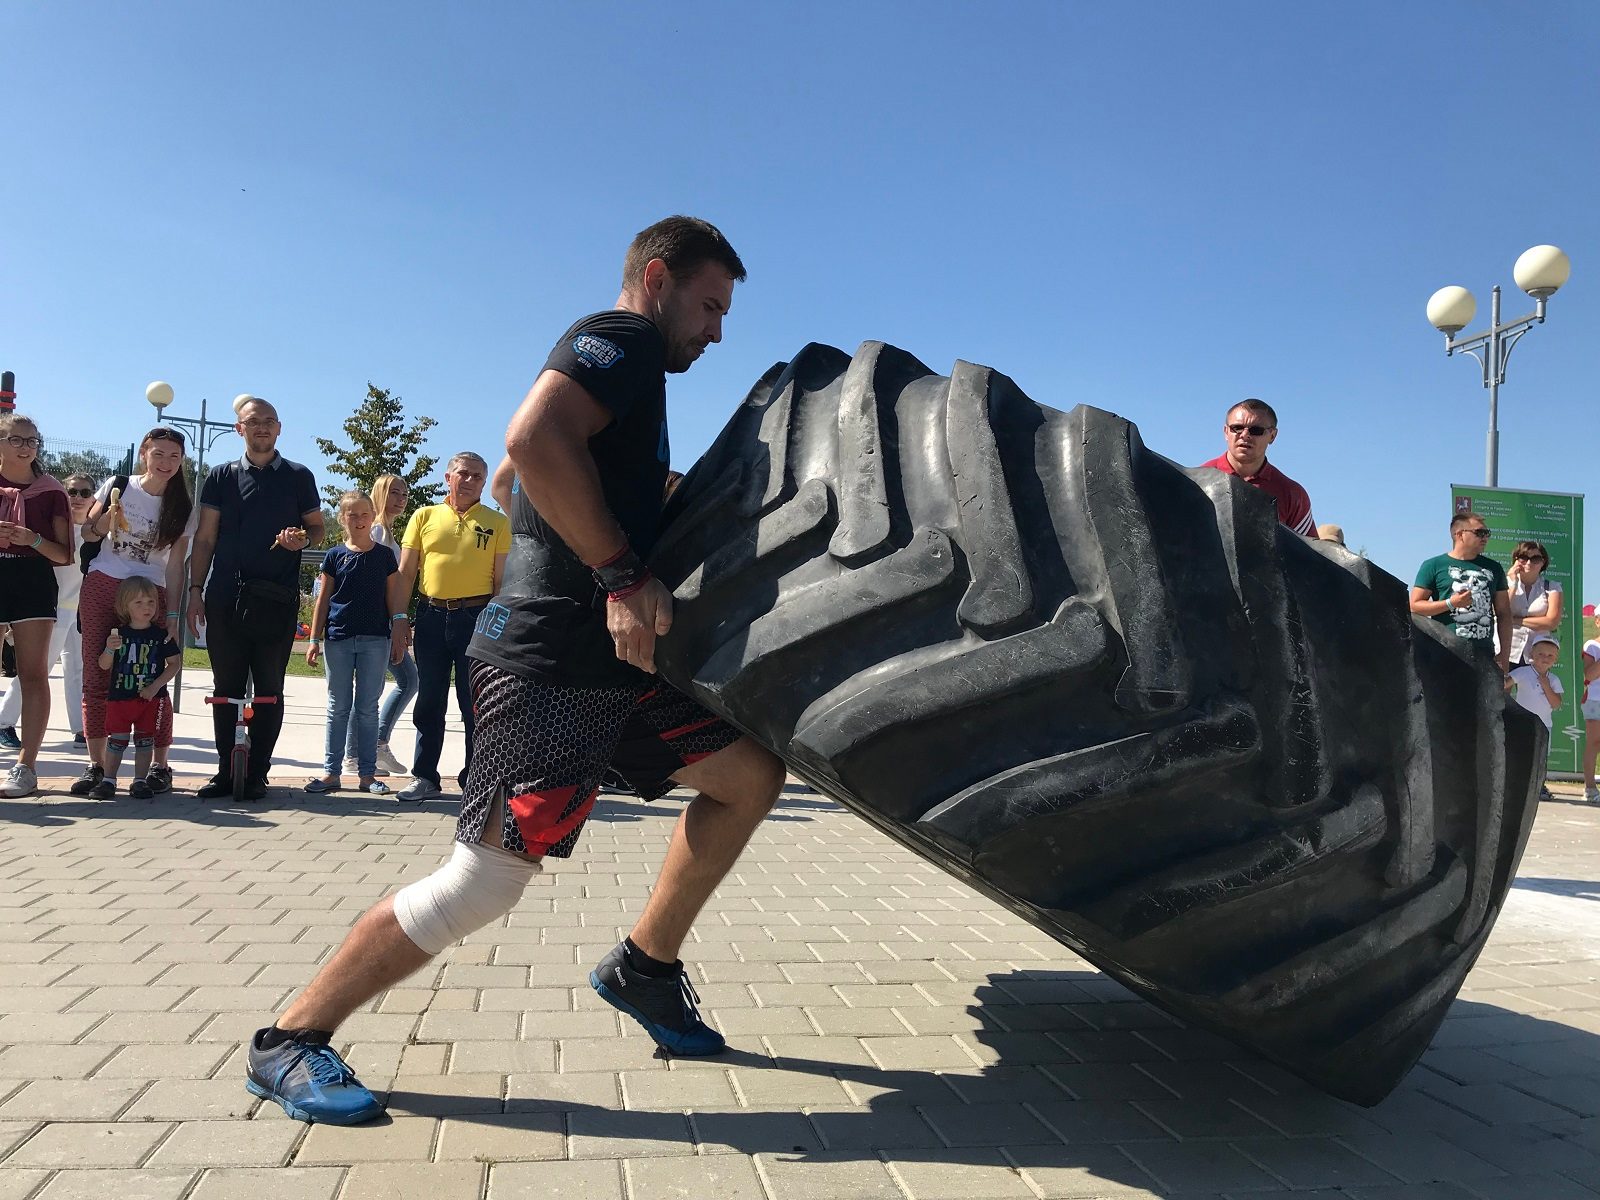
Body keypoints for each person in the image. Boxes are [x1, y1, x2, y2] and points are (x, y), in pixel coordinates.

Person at [246, 215, 784, 1125]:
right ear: (657, 279)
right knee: (485, 881)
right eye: (709, 305)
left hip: (614, 667)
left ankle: (646, 966)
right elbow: (531, 442)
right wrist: (620, 572)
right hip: (548, 662)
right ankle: (290, 1038)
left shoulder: (628, 375)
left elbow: (510, 477)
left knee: (749, 777)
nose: (717, 330)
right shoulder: (621, 339)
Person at [186, 398, 324, 800]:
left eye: (268, 421)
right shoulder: (220, 476)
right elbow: (205, 538)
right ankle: (226, 772)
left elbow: (317, 530)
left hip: (275, 600)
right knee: (225, 688)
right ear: (239, 429)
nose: (261, 427)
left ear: (279, 428)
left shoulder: (299, 476)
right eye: (253, 422)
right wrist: (195, 591)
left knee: (268, 689)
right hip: (225, 596)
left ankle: (258, 772)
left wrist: (302, 538)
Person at [75, 429, 196, 798]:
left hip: (150, 591)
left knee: (153, 677)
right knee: (98, 673)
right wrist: (106, 519)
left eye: (174, 456)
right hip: (105, 582)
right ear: (145, 453)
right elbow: (88, 534)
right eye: (158, 454)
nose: (166, 462)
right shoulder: (120, 485)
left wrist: (172, 616)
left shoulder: (182, 506)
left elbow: (175, 565)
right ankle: (98, 766)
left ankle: (159, 766)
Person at [392, 453, 510, 802]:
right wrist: (399, 618)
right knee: (429, 699)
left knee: (475, 702)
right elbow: (406, 573)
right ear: (448, 477)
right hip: (430, 615)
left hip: (477, 617)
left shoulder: (497, 522)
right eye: (463, 473)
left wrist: (496, 626)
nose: (470, 480)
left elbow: (501, 582)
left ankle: (476, 778)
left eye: (478, 476)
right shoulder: (424, 516)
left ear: (484, 483)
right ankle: (424, 776)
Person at [305, 491, 409, 796]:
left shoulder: (384, 556)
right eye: (352, 514)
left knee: (367, 708)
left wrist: (398, 631)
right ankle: (331, 773)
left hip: (375, 640)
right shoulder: (334, 556)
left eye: (365, 514)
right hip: (338, 638)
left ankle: (367, 775)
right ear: (342, 518)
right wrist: (314, 639)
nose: (359, 520)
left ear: (372, 516)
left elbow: (393, 598)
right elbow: (323, 600)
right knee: (338, 706)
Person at [0, 413, 73, 798]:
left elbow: (64, 554)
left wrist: (32, 540)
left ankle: (26, 767)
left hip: (32, 581)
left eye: (32, 441)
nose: (25, 447)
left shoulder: (51, 490)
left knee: (33, 674)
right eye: (16, 439)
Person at [0, 473, 93, 754]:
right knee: (38, 668)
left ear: (93, 498)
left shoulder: (95, 533)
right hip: (52, 607)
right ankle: (5, 721)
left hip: (79, 610)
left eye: (85, 492)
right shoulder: (56, 527)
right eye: (72, 492)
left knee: (77, 669)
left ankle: (81, 728)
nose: (77, 498)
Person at [342, 473, 415, 778]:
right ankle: (359, 752)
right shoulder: (376, 532)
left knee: (391, 685)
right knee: (397, 683)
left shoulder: (387, 532)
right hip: (376, 625)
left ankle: (371, 747)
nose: (401, 499)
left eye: (405, 494)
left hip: (385, 623)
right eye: (395, 492)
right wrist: (395, 622)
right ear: (381, 493)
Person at [90, 577, 181, 800]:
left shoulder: (161, 636)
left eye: (151, 602)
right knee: (117, 740)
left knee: (145, 741)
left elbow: (174, 663)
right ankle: (109, 780)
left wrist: (156, 686)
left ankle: (140, 780)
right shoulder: (118, 634)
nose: (146, 607)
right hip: (120, 698)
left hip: (150, 699)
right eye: (138, 603)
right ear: (125, 606)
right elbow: (103, 665)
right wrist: (109, 650)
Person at [1408, 512, 1512, 674]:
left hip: (1483, 654)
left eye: (1487, 533)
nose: (1485, 537)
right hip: (1444, 651)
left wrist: (1504, 655)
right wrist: (1451, 603)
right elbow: (1414, 606)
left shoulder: (1494, 568)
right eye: (1480, 532)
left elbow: (1504, 613)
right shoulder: (1433, 565)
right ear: (1459, 534)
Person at [1199, 399, 1318, 537]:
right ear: (1226, 432)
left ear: (1272, 436)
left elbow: (1307, 549)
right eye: (1237, 428)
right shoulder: (1198, 481)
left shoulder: (1292, 494)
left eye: (1256, 430)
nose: (1245, 435)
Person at [1507, 540, 1563, 666]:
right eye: (1523, 557)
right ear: (1516, 560)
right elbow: (1500, 612)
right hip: (1507, 650)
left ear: (1543, 562)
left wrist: (1513, 620)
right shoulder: (1505, 583)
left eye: (1535, 559)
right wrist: (1513, 583)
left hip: (1537, 655)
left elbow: (1551, 622)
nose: (1528, 563)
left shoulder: (1552, 587)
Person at [1582, 637, 1600, 804]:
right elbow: (1589, 675)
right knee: (1594, 742)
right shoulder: (1592, 646)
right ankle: (1590, 788)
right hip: (1595, 700)